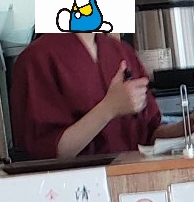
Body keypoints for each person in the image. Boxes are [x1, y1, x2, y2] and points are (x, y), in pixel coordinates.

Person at [10, 27, 164, 161]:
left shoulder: (121, 51)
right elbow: (46, 154)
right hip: (78, 183)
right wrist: (109, 108)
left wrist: (179, 129)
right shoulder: (36, 59)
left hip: (132, 178)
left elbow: (150, 133)